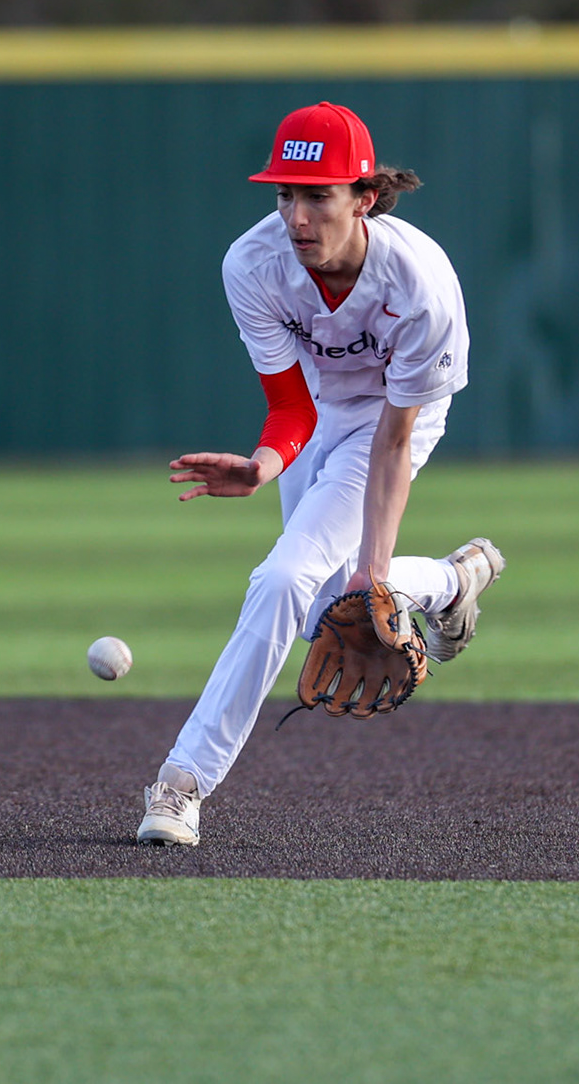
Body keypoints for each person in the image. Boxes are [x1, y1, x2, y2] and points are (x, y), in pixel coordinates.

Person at [137, 101, 506, 847]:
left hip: (395, 417)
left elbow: (393, 442)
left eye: (318, 196)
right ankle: (450, 580)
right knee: (318, 615)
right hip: (319, 412)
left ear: (364, 198)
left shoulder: (420, 285)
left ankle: (182, 781)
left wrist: (373, 571)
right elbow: (291, 406)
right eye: (285, 195)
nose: (297, 218)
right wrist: (263, 464)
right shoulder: (253, 264)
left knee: (283, 580)